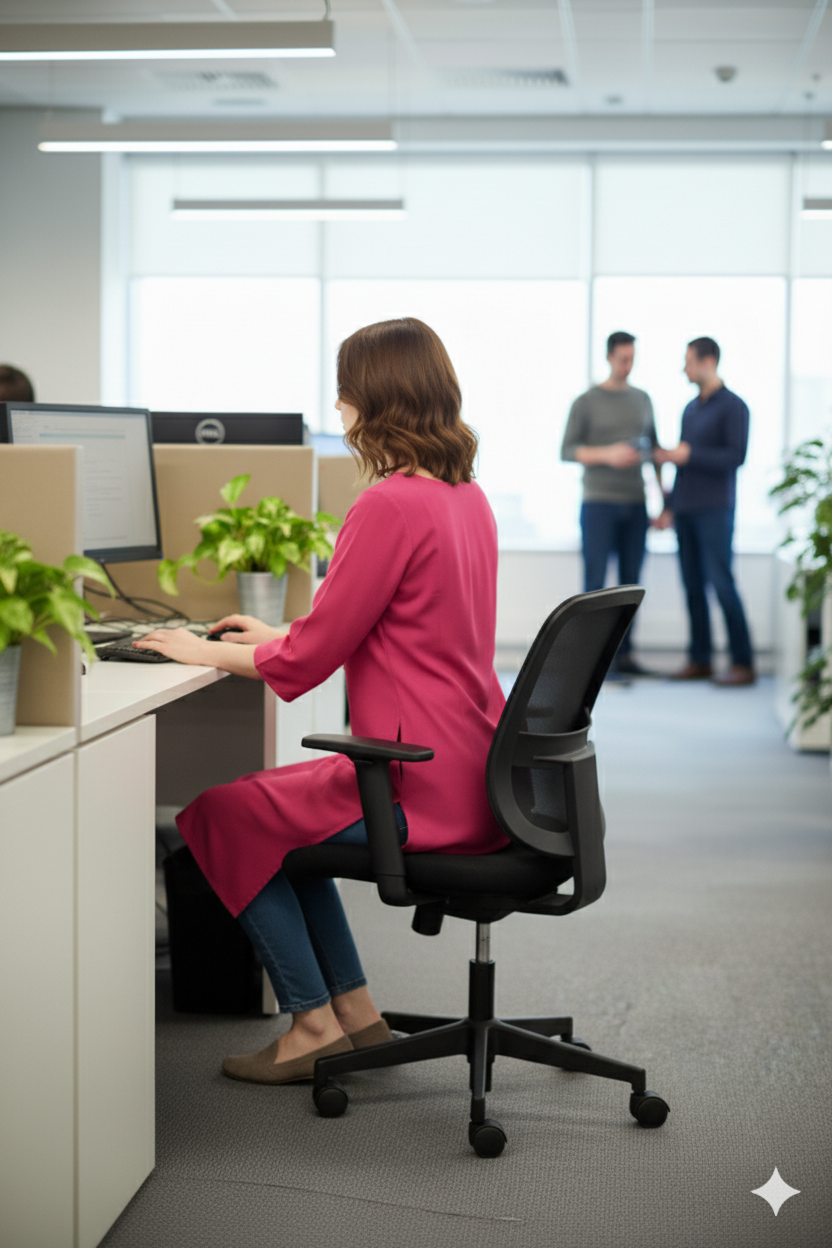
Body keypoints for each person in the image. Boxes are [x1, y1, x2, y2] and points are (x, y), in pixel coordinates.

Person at [135, 317, 509, 1083]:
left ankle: (310, 1023)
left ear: (373, 398)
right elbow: (394, 625)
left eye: (345, 389)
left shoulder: (388, 503)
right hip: (473, 771)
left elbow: (311, 659)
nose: (337, 406)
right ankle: (359, 1015)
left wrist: (198, 647)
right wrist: (277, 631)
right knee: (272, 825)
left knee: (219, 814)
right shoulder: (465, 497)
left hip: (412, 781)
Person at [655, 337, 754, 686]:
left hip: (716, 510)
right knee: (692, 585)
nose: (685, 369)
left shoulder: (734, 406)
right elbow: (681, 466)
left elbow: (735, 458)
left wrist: (689, 454)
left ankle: (743, 662)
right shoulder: (691, 408)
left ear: (708, 360)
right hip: (686, 509)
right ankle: (701, 659)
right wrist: (668, 507)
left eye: (689, 361)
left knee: (721, 583)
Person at [560, 330, 659, 676]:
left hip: (636, 503)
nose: (627, 365)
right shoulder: (586, 402)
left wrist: (664, 502)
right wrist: (608, 454)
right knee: (596, 583)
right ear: (608, 357)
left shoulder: (643, 399)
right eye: (622, 359)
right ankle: (592, 664)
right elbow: (568, 450)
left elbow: (654, 452)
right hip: (598, 503)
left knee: (631, 583)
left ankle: (625, 657)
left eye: (632, 359)